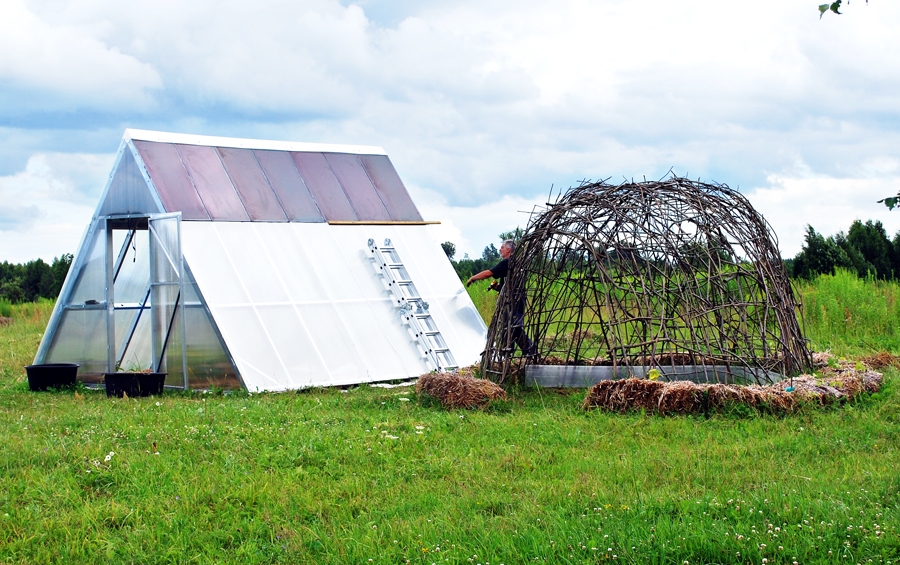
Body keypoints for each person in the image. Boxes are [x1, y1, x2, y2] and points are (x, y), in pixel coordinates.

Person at [466, 239, 536, 357]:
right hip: (517, 300)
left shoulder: (508, 262)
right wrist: (498, 287)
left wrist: (473, 278)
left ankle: (528, 350)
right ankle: (512, 352)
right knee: (510, 327)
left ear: (508, 250)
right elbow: (511, 286)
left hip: (513, 302)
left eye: (502, 247)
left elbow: (489, 273)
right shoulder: (518, 263)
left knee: (513, 327)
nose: (500, 249)